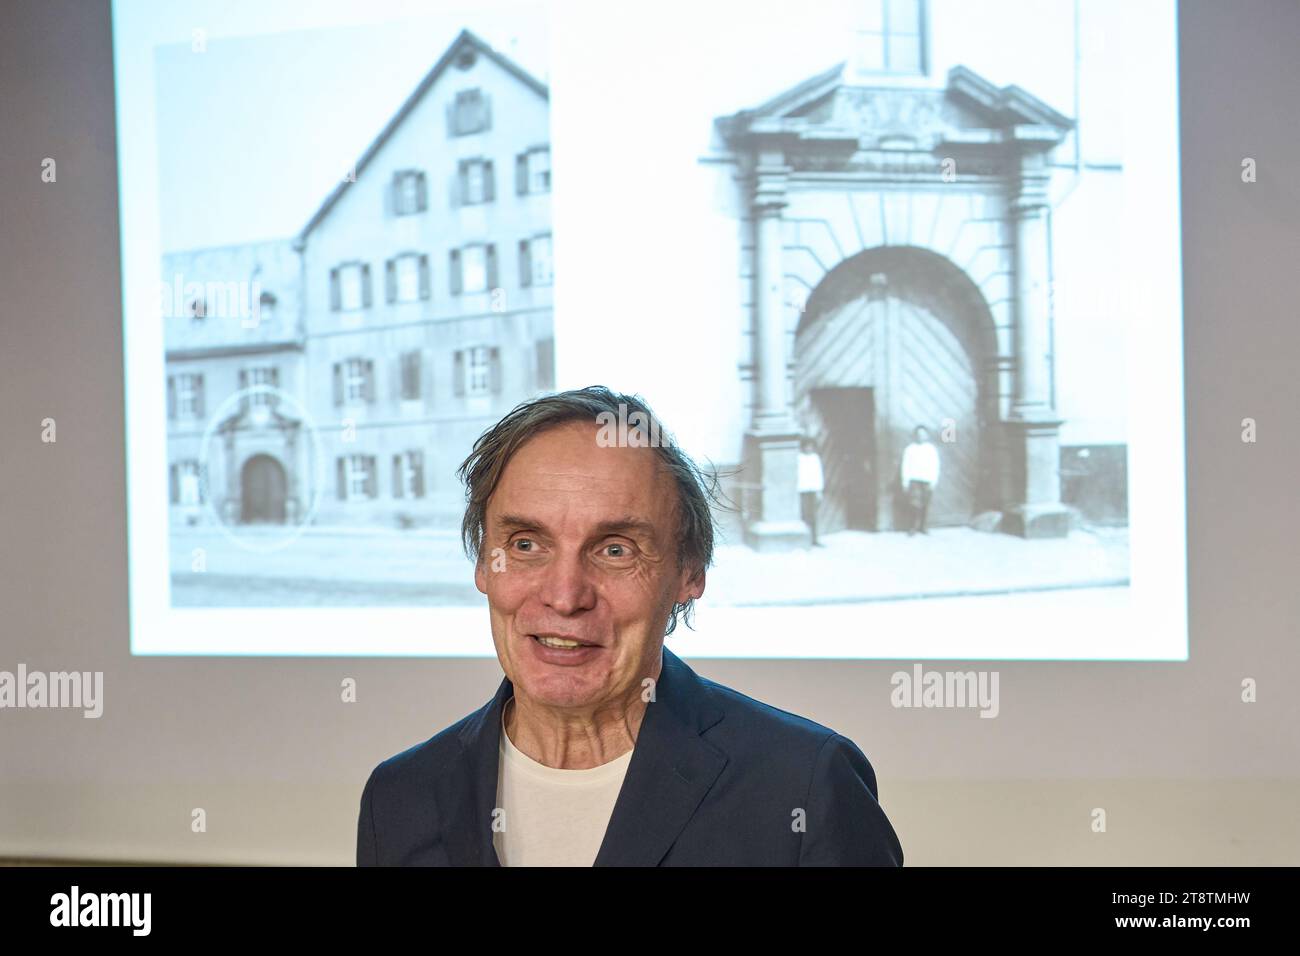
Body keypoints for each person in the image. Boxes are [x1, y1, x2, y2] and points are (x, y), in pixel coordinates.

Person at [356, 386, 903, 866]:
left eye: (616, 550)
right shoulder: (402, 796)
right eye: (526, 544)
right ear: (483, 564)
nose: (565, 596)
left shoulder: (802, 784)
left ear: (690, 573)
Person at [900, 424, 939, 536]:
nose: (921, 436)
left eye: (923, 434)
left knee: (925, 504)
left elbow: (935, 465)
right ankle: (913, 527)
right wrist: (905, 481)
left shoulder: (931, 449)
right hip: (914, 480)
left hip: (927, 479)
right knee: (914, 504)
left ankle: (923, 526)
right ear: (915, 436)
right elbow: (905, 465)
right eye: (919, 434)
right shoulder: (910, 449)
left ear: (927, 436)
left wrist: (934, 480)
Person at [797, 434, 825, 547]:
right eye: (807, 446)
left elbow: (818, 475)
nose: (809, 448)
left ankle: (814, 539)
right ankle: (804, 540)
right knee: (804, 514)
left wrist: (819, 491)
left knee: (812, 515)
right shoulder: (799, 458)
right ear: (803, 447)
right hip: (802, 490)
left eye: (811, 446)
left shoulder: (815, 458)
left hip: (813, 490)